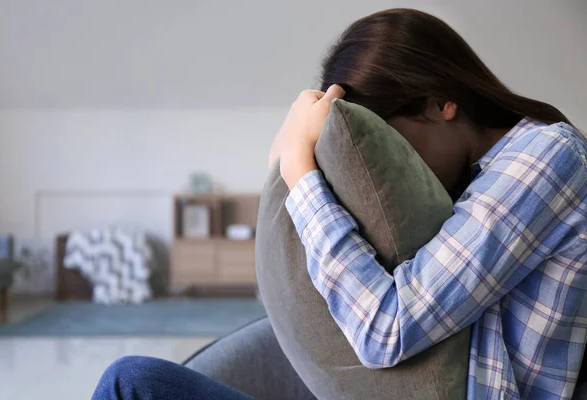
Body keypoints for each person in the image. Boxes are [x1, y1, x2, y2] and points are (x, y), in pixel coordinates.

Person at [93, 8, 587, 400]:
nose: (391, 172)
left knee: (130, 384)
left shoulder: (547, 157)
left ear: (441, 102)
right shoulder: (476, 181)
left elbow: (386, 328)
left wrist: (300, 175)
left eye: (391, 145)